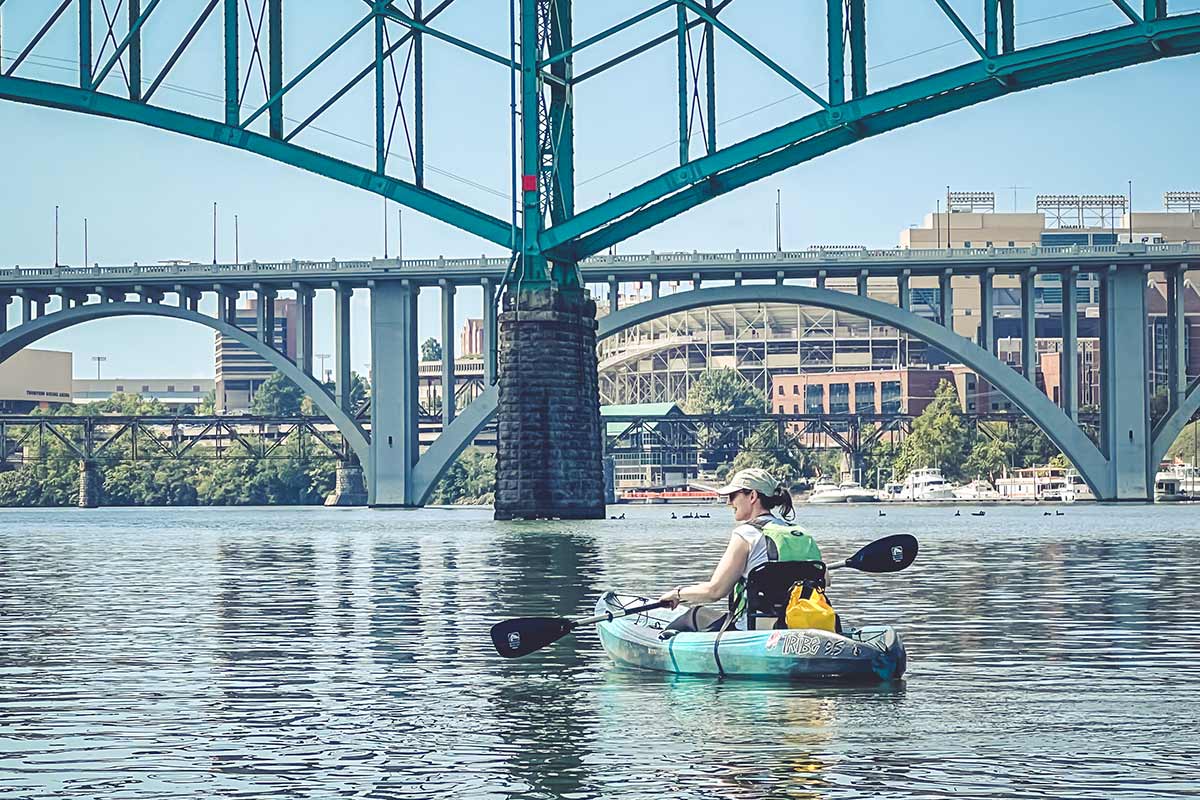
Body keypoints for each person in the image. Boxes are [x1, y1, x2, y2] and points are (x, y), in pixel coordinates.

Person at [658, 468, 823, 631]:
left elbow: (714, 591)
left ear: (752, 496)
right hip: (797, 625)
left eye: (733, 496)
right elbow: (825, 580)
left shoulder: (746, 534)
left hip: (753, 630)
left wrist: (677, 594)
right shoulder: (802, 534)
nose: (729, 503)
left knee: (693, 615)